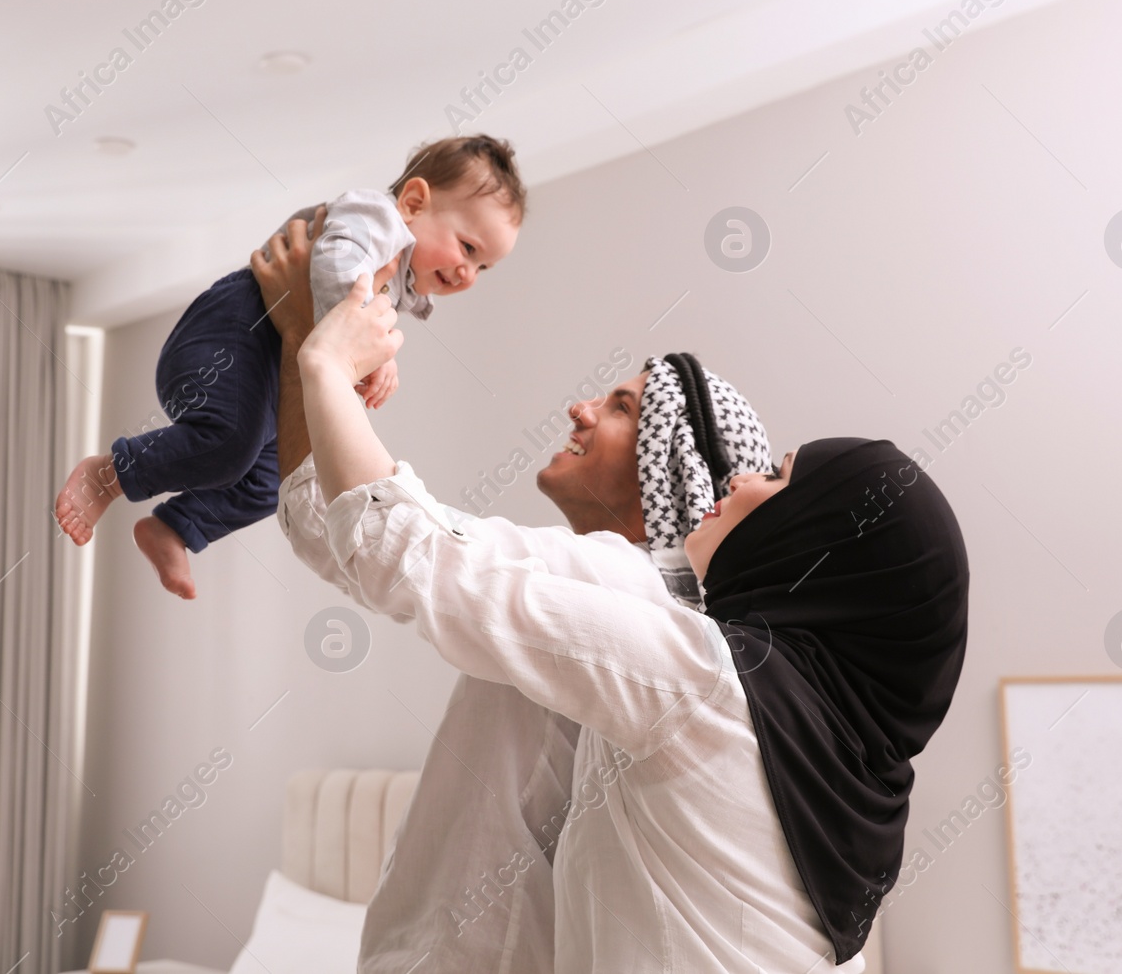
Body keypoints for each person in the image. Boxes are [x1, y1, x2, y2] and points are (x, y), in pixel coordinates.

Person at [255, 238, 971, 970]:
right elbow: (357, 529)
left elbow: (393, 546)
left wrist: (318, 358)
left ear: (672, 464)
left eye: (623, 405)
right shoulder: (829, 769)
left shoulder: (677, 646)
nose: (581, 406)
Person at [52, 134, 525, 599]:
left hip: (268, 372)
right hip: (235, 331)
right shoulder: (376, 219)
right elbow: (334, 263)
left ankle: (176, 527)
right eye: (467, 247)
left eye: (483, 267)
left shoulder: (403, 280)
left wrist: (367, 354)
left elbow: (343, 330)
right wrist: (364, 351)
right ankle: (110, 474)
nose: (468, 273)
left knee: (271, 482)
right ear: (415, 202)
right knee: (229, 444)